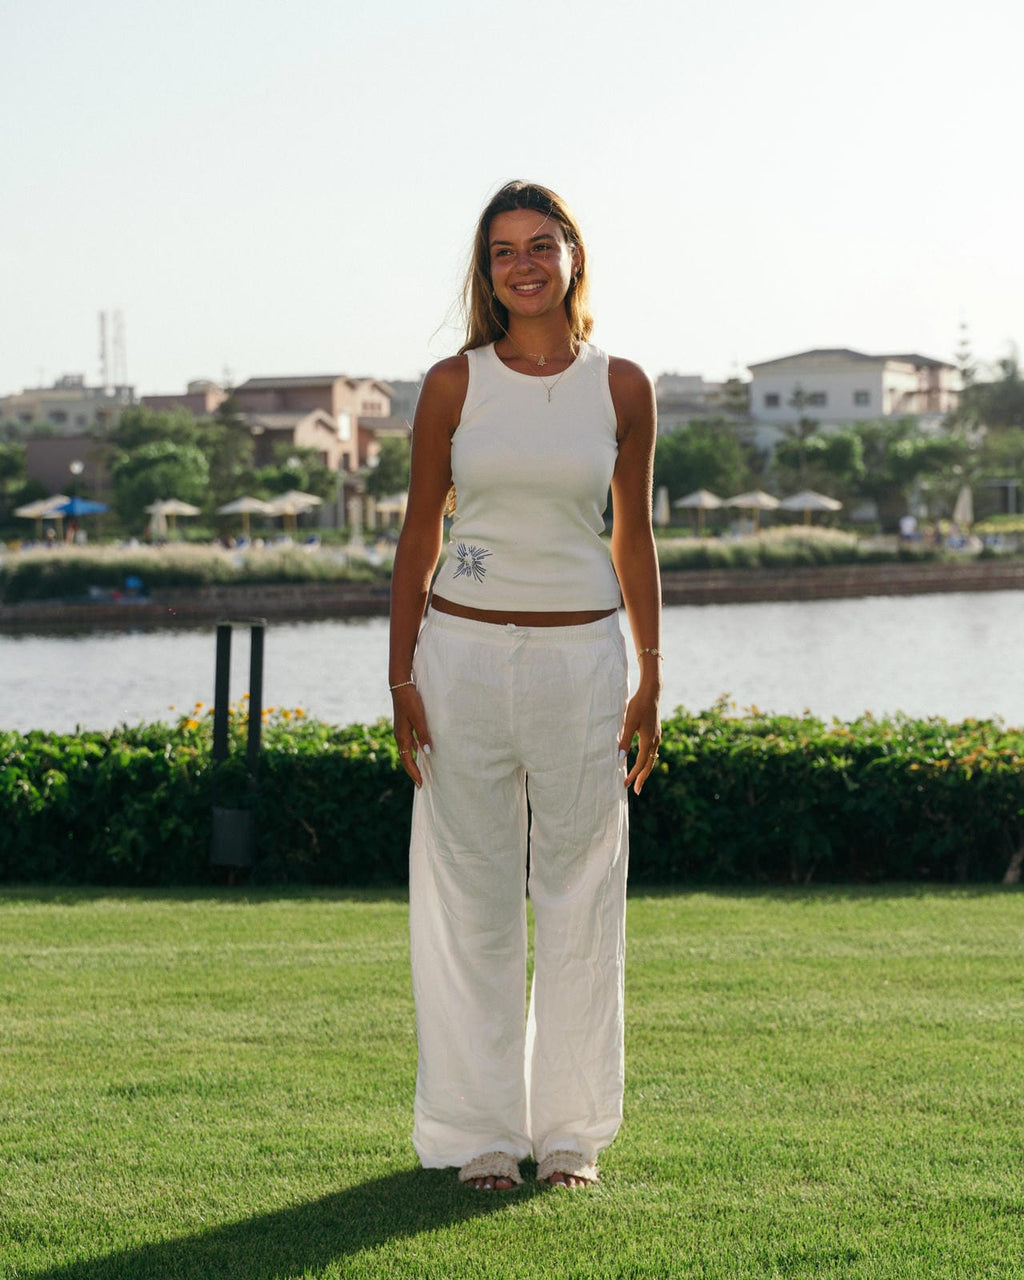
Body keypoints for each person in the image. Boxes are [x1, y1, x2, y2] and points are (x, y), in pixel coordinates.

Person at [388, 180, 662, 1192]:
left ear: (572, 255)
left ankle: (570, 1134)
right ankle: (481, 1133)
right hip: (459, 658)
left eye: (540, 245)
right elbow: (420, 533)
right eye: (503, 251)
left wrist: (651, 673)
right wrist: (400, 674)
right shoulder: (451, 385)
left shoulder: (621, 386)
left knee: (582, 893)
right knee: (472, 899)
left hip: (583, 661)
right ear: (487, 271)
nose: (523, 265)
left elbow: (632, 535)